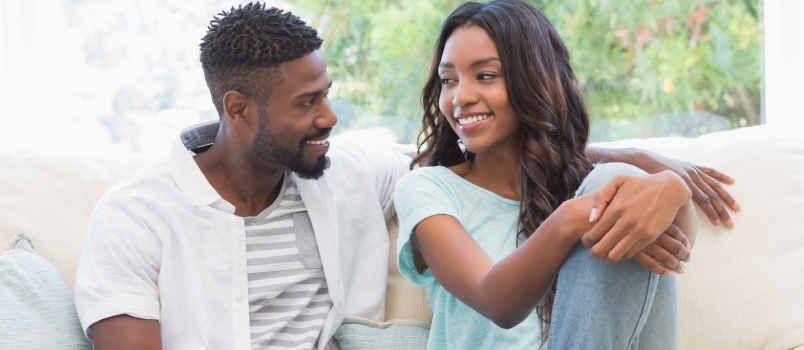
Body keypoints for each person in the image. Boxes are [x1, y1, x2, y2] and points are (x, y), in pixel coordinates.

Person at [73, 2, 738, 349]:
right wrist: (594, 203)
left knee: (606, 191)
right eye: (308, 104)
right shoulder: (136, 216)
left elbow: (494, 156)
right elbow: (491, 283)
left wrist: (661, 170)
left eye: (327, 93)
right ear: (238, 110)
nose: (331, 117)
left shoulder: (342, 173)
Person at [394, 1, 709, 349]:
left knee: (614, 181)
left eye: (485, 75)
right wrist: (572, 218)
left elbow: (669, 259)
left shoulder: (583, 183)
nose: (460, 97)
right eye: (448, 80)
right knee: (613, 184)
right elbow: (496, 301)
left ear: (534, 79)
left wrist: (673, 188)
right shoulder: (428, 190)